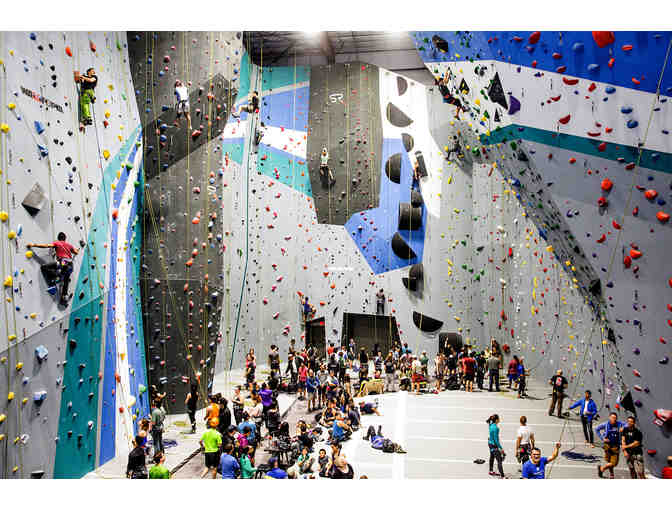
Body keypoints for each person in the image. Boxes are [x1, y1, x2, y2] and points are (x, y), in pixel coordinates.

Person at [27, 232, 80, 306]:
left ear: (58, 238)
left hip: (63, 263)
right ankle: (64, 297)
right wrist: (77, 251)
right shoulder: (69, 245)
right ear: (65, 238)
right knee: (66, 281)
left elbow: (46, 246)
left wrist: (34, 245)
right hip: (70, 265)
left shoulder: (57, 243)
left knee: (44, 267)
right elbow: (76, 252)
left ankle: (57, 276)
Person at [595, 412, 627, 479]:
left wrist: (623, 428)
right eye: (612, 418)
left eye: (615, 418)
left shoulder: (619, 424)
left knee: (614, 463)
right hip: (607, 445)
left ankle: (602, 469)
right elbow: (597, 429)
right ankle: (612, 474)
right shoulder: (606, 424)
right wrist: (602, 438)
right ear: (609, 418)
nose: (614, 419)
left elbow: (627, 424)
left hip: (615, 446)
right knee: (609, 461)